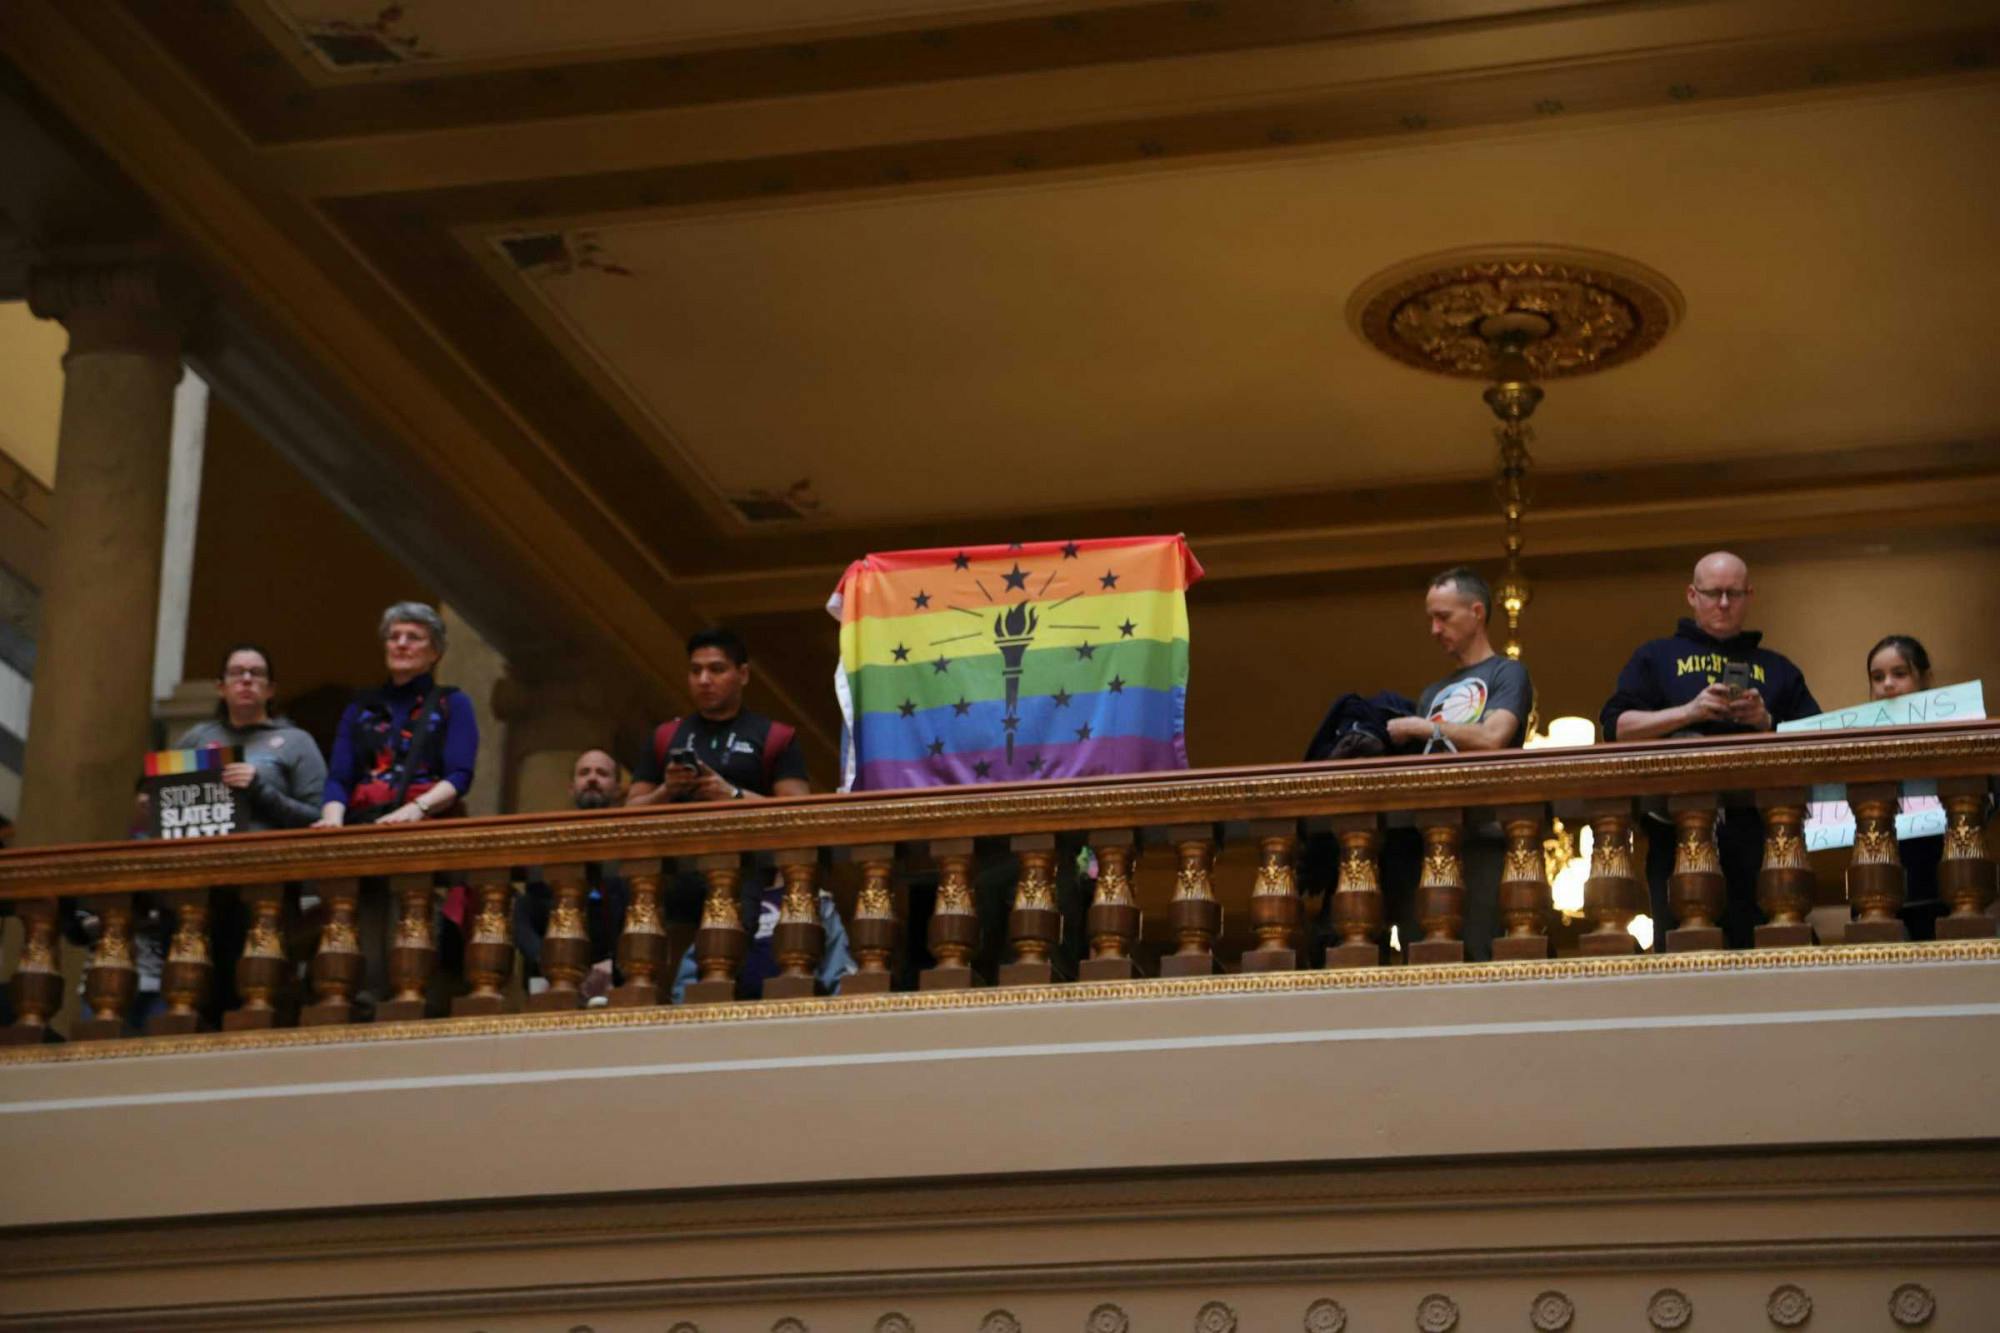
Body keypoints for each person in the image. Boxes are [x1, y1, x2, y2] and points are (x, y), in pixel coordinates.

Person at [1308, 568, 1533, 962]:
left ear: (1477, 613)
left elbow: (1493, 737)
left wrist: (1421, 725)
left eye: (1443, 617)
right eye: (1431, 617)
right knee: (1421, 955)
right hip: (1424, 843)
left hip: (1482, 839)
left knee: (1479, 954)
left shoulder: (1506, 672)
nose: (1434, 628)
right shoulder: (1433, 692)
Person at [1599, 551, 1822, 948]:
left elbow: (1816, 740)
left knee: (1764, 947)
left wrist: (1765, 721)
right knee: (1682, 948)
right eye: (1713, 593)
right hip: (1674, 831)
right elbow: (1618, 728)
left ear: (1749, 595)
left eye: (1733, 593)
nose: (1723, 603)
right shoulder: (1656, 657)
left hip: (1762, 838)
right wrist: (1690, 711)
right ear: (1691, 595)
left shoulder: (1778, 668)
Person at [315, 603, 478, 827]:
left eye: (413, 637)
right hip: (363, 824)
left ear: (435, 652)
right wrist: (332, 821)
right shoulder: (359, 707)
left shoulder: (453, 702)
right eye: (394, 637)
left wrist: (417, 809)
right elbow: (339, 778)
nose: (401, 644)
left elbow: (459, 775)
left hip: (427, 823)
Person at [626, 628, 809, 807]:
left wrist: (732, 795)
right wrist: (667, 790)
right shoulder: (664, 736)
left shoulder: (776, 737)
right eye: (696, 671)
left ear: (743, 675)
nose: (703, 680)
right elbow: (630, 811)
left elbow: (799, 813)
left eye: (717, 669)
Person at [514, 749, 629, 1001]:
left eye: (602, 773)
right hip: (551, 975)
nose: (592, 778)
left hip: (613, 978)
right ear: (571, 787)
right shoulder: (549, 844)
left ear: (618, 788)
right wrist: (548, 961)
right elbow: (526, 913)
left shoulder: (629, 847)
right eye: (584, 772)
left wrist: (612, 966)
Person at [176, 644, 326, 831]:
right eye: (237, 672)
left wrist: (260, 790)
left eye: (256, 673)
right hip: (202, 854)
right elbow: (160, 801)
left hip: (271, 853)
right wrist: (148, 802)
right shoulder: (196, 738)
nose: (246, 679)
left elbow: (318, 817)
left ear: (270, 689)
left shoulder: (297, 741)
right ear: (221, 688)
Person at [1865, 635, 1947, 938]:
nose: (1887, 684)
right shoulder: (1856, 743)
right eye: (1877, 677)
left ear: (1924, 679)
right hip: (1876, 886)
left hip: (1940, 885)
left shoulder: (1954, 734)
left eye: (1899, 674)